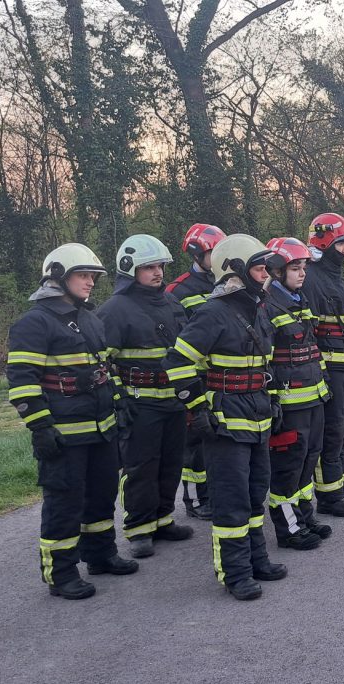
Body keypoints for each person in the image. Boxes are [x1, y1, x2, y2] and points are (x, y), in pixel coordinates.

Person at [6, 243, 138, 599]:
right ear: (57, 277)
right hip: (64, 435)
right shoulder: (34, 323)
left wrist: (119, 402)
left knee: (101, 497)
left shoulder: (89, 319)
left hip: (101, 429)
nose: (91, 283)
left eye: (93, 277)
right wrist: (40, 427)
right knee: (64, 504)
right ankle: (60, 573)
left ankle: (101, 555)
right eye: (83, 276)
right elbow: (22, 382)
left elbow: (103, 368)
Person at [162, 233, 287, 600]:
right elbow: (178, 361)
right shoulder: (213, 313)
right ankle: (234, 574)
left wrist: (274, 401)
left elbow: (267, 364)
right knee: (231, 500)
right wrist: (198, 408)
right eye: (260, 268)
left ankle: (256, 560)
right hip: (227, 420)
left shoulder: (259, 308)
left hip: (258, 415)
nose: (267, 275)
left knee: (253, 495)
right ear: (235, 270)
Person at [97, 234, 193, 559]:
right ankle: (138, 529)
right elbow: (100, 361)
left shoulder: (171, 303)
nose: (157, 273)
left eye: (160, 266)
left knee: (170, 464)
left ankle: (163, 520)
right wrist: (117, 398)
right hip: (140, 403)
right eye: (148, 267)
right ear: (129, 269)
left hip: (174, 401)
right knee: (141, 467)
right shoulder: (114, 310)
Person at [263, 236, 334, 550]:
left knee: (309, 460)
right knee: (288, 468)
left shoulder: (300, 300)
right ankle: (289, 530)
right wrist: (271, 401)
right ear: (277, 271)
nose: (302, 273)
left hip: (313, 397)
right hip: (289, 404)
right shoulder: (266, 307)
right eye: (295, 267)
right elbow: (263, 361)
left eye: (304, 266)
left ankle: (305, 518)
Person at [302, 213, 344, 515]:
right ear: (325, 241)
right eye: (341, 243)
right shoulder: (313, 279)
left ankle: (340, 487)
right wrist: (322, 372)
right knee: (330, 432)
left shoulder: (332, 275)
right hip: (329, 371)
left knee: (343, 430)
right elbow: (309, 335)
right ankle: (329, 498)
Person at [165, 224, 226, 520]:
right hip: (194, 376)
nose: (218, 259)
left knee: (215, 439)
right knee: (194, 442)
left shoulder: (225, 284)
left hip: (219, 377)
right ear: (197, 253)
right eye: (213, 253)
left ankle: (214, 494)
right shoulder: (178, 291)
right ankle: (195, 500)